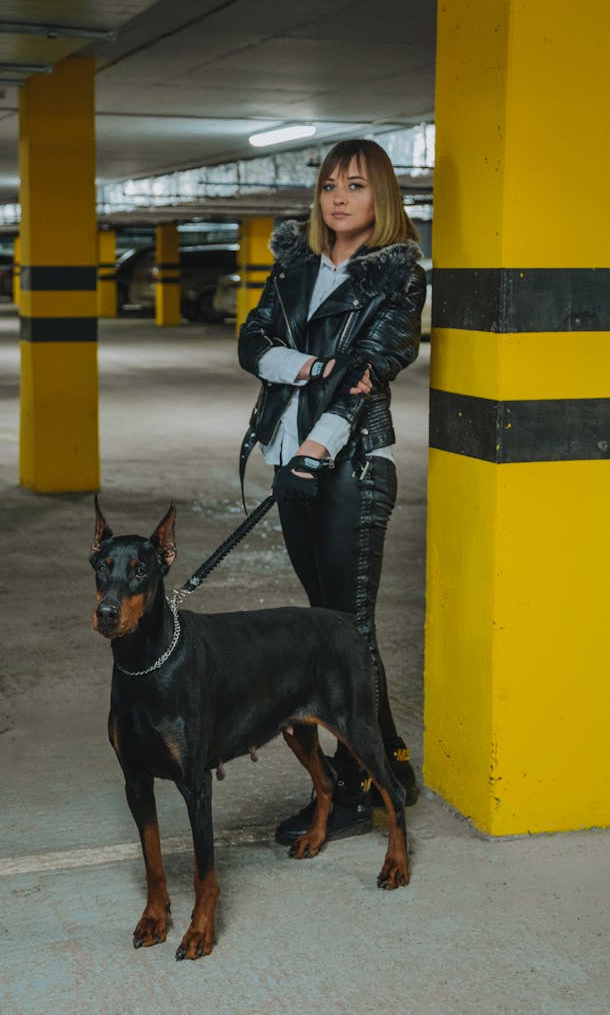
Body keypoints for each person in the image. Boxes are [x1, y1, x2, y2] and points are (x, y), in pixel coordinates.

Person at [237, 138, 426, 845]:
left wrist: (318, 450)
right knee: (331, 626)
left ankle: (352, 788)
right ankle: (392, 764)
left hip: (348, 466)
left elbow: (369, 372)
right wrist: (313, 364)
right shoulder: (292, 265)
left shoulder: (398, 276)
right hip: (290, 462)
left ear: (382, 197)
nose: (337, 197)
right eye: (328, 185)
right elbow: (251, 343)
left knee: (348, 632)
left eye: (355, 185)